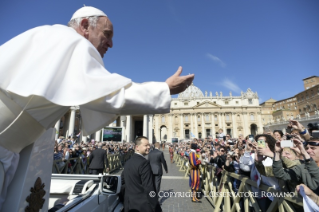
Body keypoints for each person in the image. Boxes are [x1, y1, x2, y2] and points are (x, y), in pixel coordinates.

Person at [0, 6, 194, 206]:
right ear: (85, 26)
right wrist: (164, 89)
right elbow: (110, 95)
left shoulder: (50, 36)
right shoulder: (73, 42)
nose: (111, 43)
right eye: (106, 34)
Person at [122, 136, 161, 212]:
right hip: (142, 206)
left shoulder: (128, 162)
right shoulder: (144, 163)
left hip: (129, 205)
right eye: (146, 145)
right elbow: (149, 187)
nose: (149, 147)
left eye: (149, 145)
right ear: (137, 147)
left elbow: (123, 181)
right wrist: (156, 206)